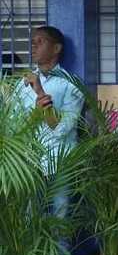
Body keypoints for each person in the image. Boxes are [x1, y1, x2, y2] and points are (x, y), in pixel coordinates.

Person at [15, 26, 84, 217]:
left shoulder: (71, 84)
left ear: (56, 49)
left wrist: (40, 92)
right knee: (29, 216)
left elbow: (62, 129)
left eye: (40, 42)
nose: (34, 47)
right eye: (32, 43)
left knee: (60, 217)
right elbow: (14, 124)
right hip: (29, 160)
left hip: (60, 161)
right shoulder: (23, 83)